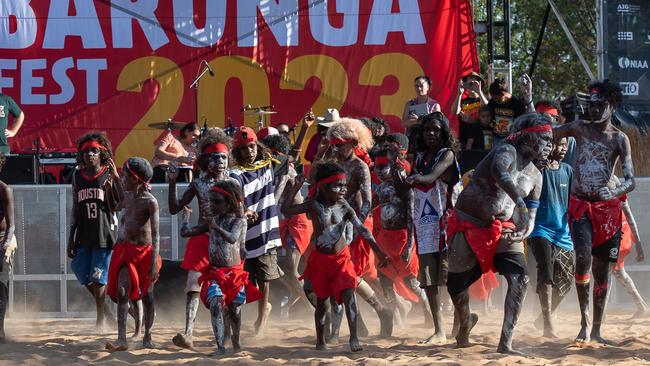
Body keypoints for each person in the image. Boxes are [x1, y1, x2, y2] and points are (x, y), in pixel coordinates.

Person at [446, 112, 552, 354]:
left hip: (503, 229)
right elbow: (500, 173)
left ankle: (506, 342)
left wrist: (523, 231)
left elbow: (531, 219)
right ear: (526, 138)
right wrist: (521, 204)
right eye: (544, 139)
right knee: (456, 286)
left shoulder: (537, 176)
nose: (549, 145)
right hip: (469, 223)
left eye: (551, 140)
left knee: (520, 279)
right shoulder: (507, 150)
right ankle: (464, 325)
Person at [553, 80, 636, 344]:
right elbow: (549, 132)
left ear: (612, 106)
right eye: (592, 105)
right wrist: (530, 106)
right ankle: (584, 322)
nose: (595, 110)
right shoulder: (579, 128)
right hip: (581, 208)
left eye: (601, 105)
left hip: (607, 212)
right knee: (582, 258)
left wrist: (612, 192)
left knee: (602, 271)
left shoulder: (619, 138)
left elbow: (630, 180)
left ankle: (597, 329)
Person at [281, 161, 388, 352]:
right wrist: (296, 188)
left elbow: (361, 228)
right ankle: (321, 341)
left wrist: (378, 250)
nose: (343, 189)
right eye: (337, 185)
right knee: (322, 303)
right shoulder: (314, 205)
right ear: (323, 187)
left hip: (341, 259)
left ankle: (354, 338)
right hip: (321, 261)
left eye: (345, 185)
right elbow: (286, 210)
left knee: (349, 296)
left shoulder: (345, 206)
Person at [325, 118, 393, 337]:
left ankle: (382, 310)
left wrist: (355, 226)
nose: (337, 148)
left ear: (354, 143)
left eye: (341, 144)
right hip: (338, 225)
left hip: (358, 223)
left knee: (350, 275)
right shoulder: (333, 163)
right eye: (334, 144)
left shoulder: (360, 166)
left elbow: (367, 200)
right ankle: (365, 320)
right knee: (344, 276)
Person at [167, 128, 233, 349]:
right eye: (216, 158)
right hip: (202, 238)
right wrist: (172, 182)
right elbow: (175, 208)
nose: (221, 162)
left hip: (224, 241)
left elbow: (242, 211)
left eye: (224, 157)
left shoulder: (233, 182)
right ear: (206, 160)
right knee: (193, 285)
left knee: (226, 288)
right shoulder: (199, 183)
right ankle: (188, 332)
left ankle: (227, 334)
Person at [184, 181, 263, 356]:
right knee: (216, 304)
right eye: (211, 201)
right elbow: (186, 232)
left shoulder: (238, 221)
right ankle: (220, 346)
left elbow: (233, 238)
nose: (212, 205)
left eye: (217, 201)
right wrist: (186, 218)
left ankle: (235, 340)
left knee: (234, 310)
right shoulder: (211, 222)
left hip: (234, 274)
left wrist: (215, 227)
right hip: (215, 273)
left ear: (229, 202)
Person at [405, 112, 462, 343]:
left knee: (452, 279)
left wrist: (410, 177)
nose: (430, 133)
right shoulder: (418, 158)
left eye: (436, 130)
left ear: (444, 133)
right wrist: (399, 175)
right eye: (427, 129)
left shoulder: (447, 155)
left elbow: (429, 179)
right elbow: (404, 188)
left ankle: (461, 322)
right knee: (429, 281)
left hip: (447, 226)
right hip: (425, 226)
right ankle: (439, 330)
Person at [229, 126, 283, 337]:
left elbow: (292, 157)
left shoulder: (267, 165)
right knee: (243, 282)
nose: (249, 151)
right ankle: (253, 314)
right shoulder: (235, 174)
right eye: (244, 148)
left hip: (266, 231)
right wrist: (243, 209)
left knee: (264, 279)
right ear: (238, 152)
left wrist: (305, 129)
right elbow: (233, 200)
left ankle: (262, 317)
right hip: (243, 236)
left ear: (257, 147)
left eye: (252, 146)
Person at [372, 146, 432, 331]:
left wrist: (409, 246)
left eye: (384, 167)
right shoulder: (380, 189)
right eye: (377, 167)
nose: (380, 171)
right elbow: (370, 209)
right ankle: (393, 319)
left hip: (403, 239)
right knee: (385, 281)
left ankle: (428, 312)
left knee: (412, 282)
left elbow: (412, 217)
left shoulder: (406, 188)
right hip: (384, 240)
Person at [105, 157, 161, 351]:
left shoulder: (150, 202)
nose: (123, 179)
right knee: (122, 292)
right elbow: (120, 200)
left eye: (125, 176)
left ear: (136, 179)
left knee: (148, 296)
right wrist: (113, 177)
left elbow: (156, 235)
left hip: (145, 254)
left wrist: (154, 263)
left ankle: (147, 335)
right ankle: (122, 339)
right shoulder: (128, 195)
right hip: (126, 252)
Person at [68, 132, 121, 332]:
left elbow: (119, 203)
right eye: (86, 151)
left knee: (98, 277)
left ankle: (101, 319)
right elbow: (75, 206)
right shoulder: (76, 176)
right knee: (80, 270)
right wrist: (70, 238)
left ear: (102, 154)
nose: (89, 154)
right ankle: (105, 308)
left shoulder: (108, 173)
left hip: (104, 232)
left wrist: (115, 181)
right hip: (83, 232)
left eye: (94, 151)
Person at [528, 136, 575, 338]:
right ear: (549, 145)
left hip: (563, 232)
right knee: (546, 273)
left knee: (566, 280)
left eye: (565, 145)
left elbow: (574, 201)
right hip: (539, 229)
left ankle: (542, 318)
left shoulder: (568, 171)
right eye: (559, 144)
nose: (563, 149)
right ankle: (548, 323)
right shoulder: (536, 168)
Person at [609, 197, 650, 317]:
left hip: (617, 246)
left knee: (606, 277)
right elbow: (631, 226)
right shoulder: (621, 207)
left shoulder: (612, 207)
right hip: (623, 245)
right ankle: (642, 307)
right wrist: (636, 244)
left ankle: (601, 315)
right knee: (620, 274)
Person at [0, 154, 15, 342]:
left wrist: (4, 246)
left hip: (3, 237)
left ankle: (0, 328)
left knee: (1, 283)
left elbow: (11, 225)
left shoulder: (4, 190)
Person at [453, 72, 489, 150]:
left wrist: (479, 92)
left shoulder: (483, 99)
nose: (471, 85)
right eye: (469, 83)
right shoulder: (462, 101)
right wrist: (459, 94)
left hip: (481, 138)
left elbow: (488, 109)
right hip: (464, 138)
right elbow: (454, 111)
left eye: (474, 82)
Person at [487, 77, 528, 146]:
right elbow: (488, 114)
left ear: (504, 93)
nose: (494, 100)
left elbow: (522, 122)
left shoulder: (517, 103)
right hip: (497, 137)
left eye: (496, 98)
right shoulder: (492, 102)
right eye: (492, 97)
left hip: (512, 138)